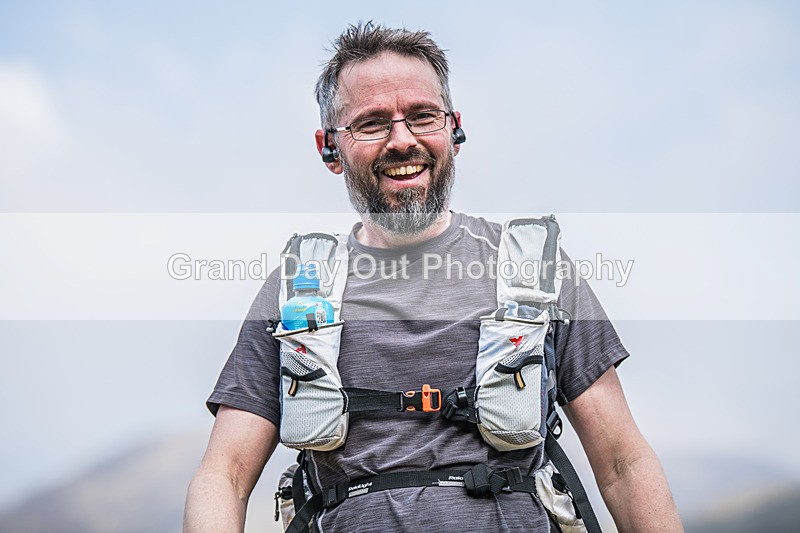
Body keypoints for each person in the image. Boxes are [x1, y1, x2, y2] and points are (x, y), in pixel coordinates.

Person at [184, 22, 682, 532]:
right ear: (330, 147)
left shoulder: (537, 271)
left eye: (422, 116)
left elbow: (624, 464)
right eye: (372, 123)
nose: (403, 141)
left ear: (455, 130)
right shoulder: (296, 289)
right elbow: (224, 474)